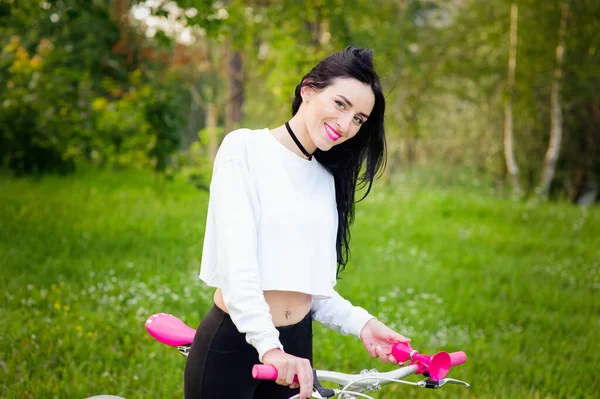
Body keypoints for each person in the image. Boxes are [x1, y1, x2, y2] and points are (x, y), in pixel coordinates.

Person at [184, 47, 410, 399]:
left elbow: (309, 287)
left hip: (296, 349)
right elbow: (238, 270)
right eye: (341, 104)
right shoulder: (244, 149)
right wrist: (269, 347)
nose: (347, 124)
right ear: (308, 89)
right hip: (237, 345)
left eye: (359, 119)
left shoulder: (326, 177)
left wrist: (363, 324)